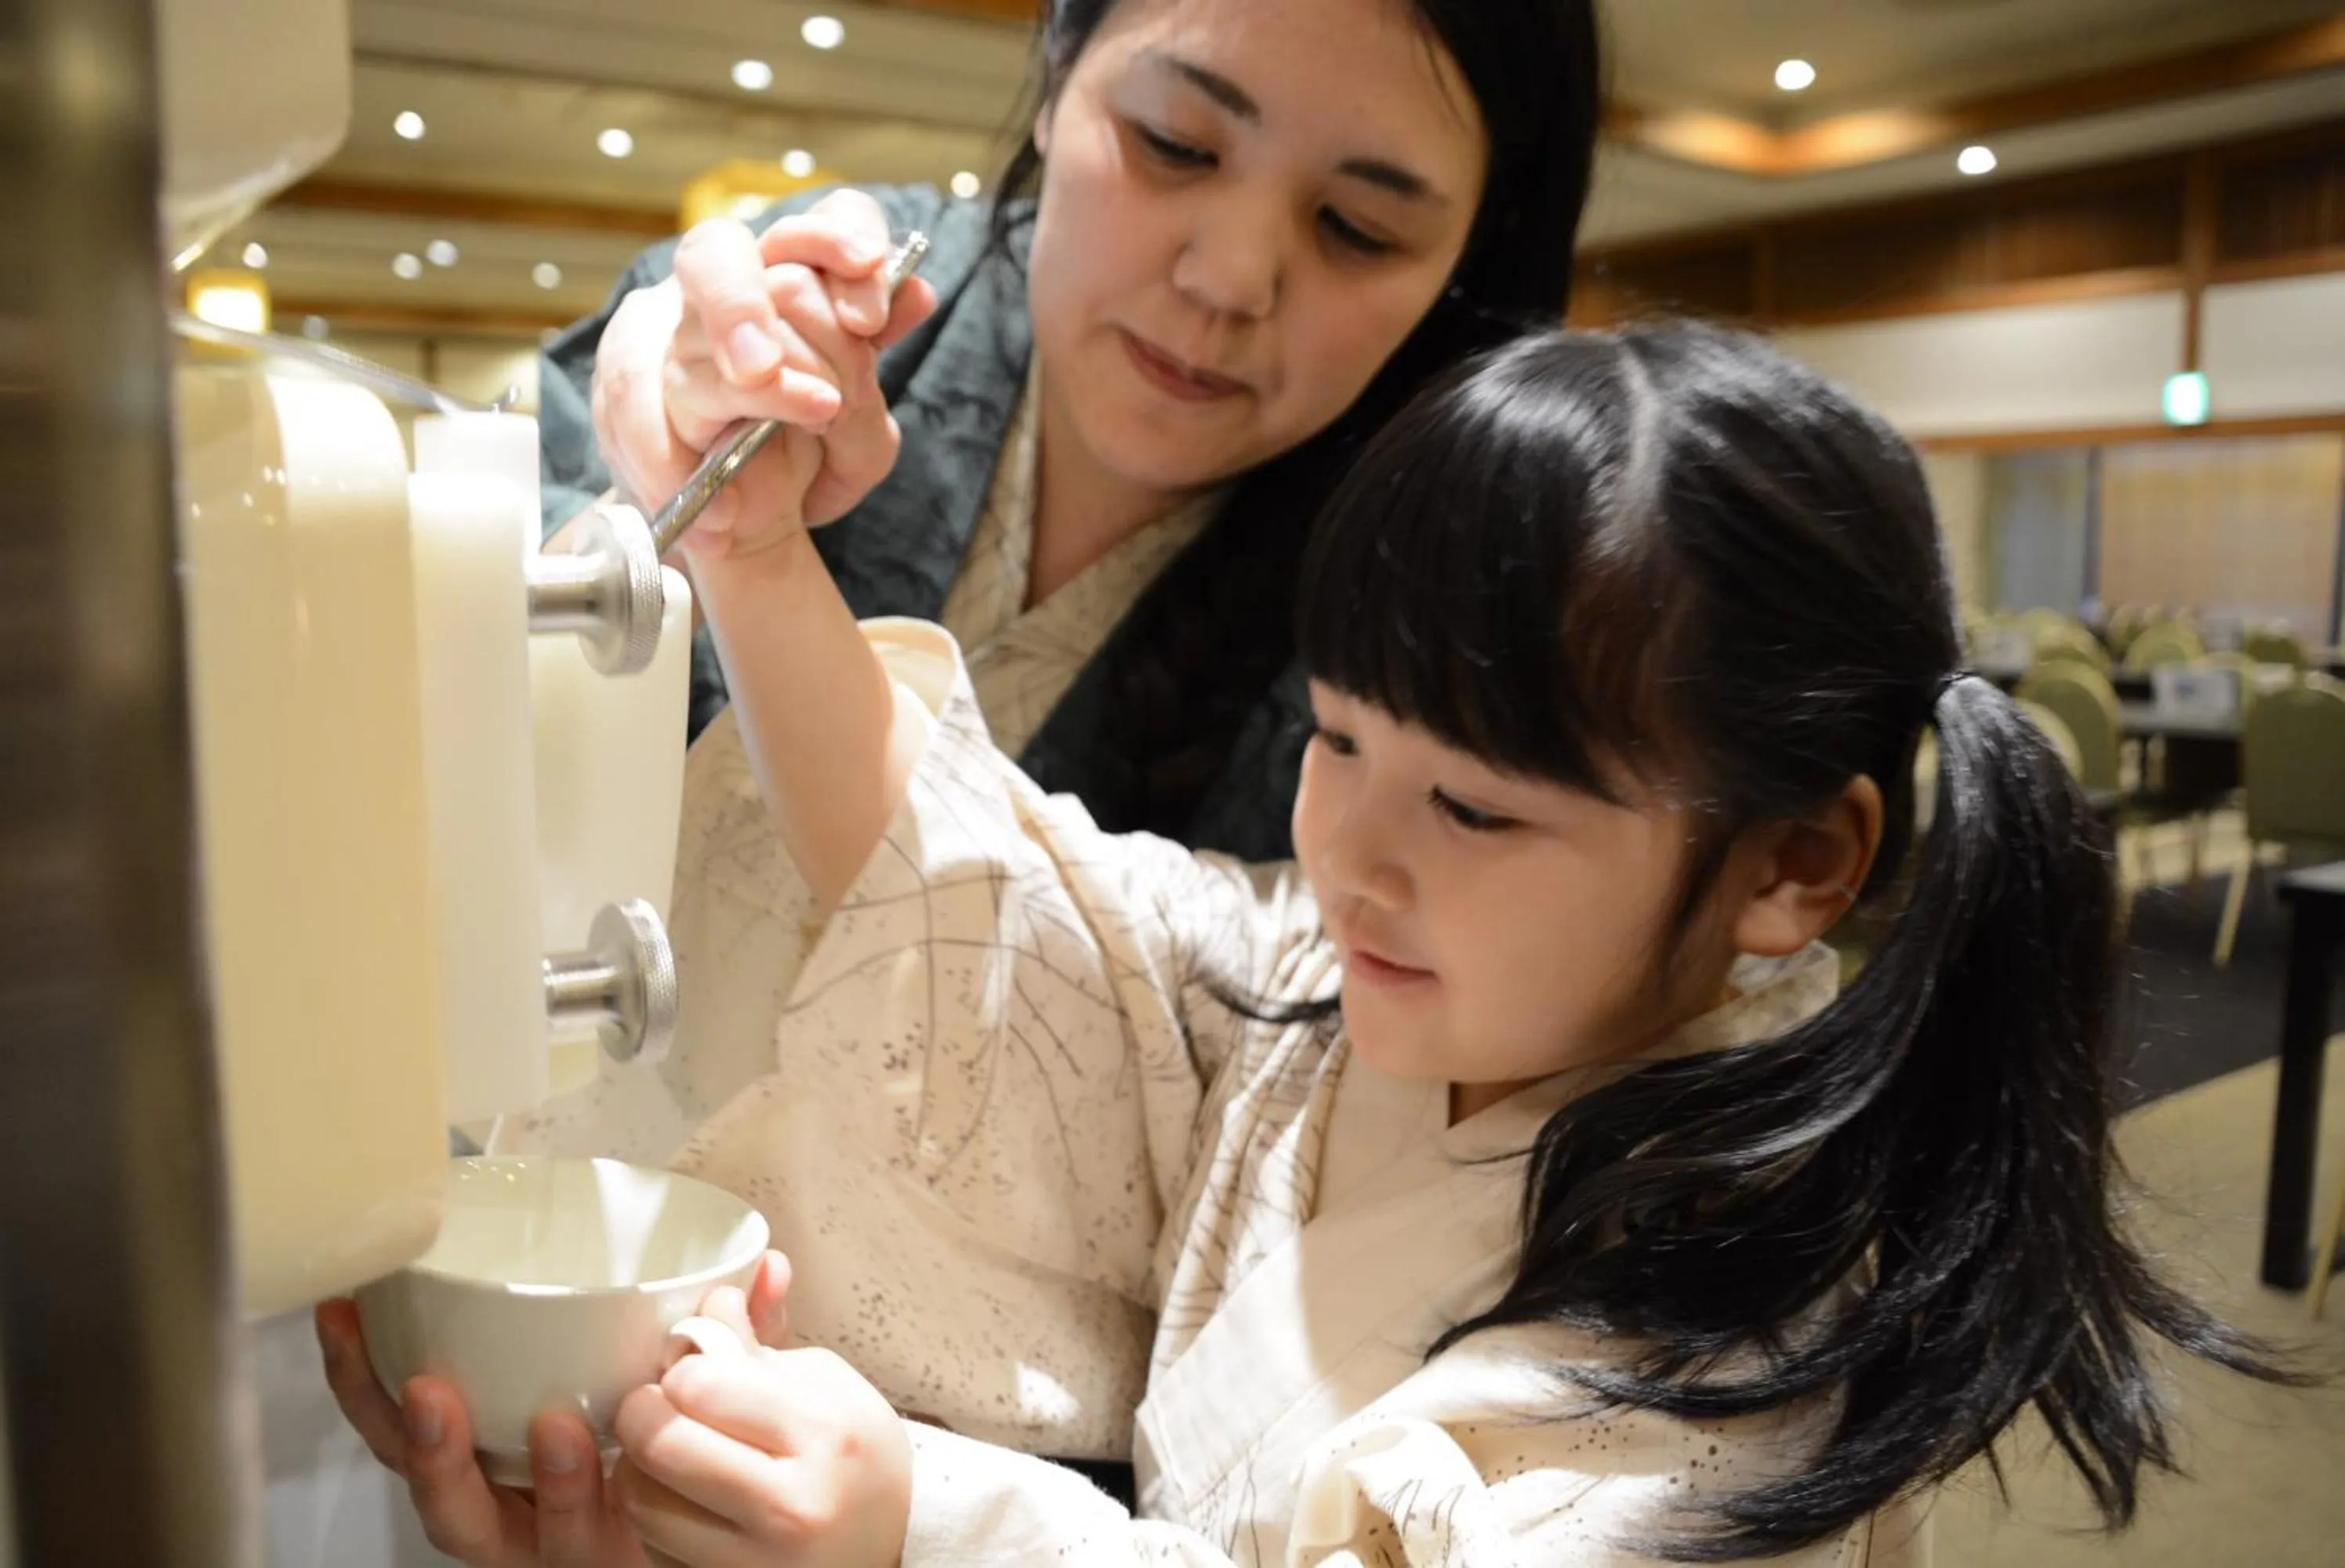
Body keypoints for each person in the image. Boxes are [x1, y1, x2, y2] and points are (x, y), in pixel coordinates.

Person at [330, 321, 2288, 1566]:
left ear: (1790, 866)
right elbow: (1003, 902)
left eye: (1476, 805)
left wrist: (921, 1520)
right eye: (1342, 739)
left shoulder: (1741, 1350)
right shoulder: (1351, 1004)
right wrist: (756, 560)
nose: (1350, 848)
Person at [541, 0, 1599, 869]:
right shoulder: (800, 302)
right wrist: (634, 504)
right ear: (1056, 72)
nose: (1228, 279)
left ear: (1466, 265)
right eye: (1175, 145)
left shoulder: (1442, 611)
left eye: (1356, 230)